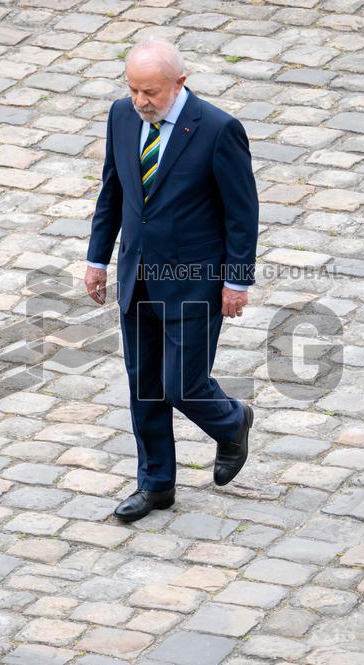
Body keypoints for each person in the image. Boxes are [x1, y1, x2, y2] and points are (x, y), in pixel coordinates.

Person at [84, 38, 258, 522]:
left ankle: (231, 421)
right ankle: (156, 484)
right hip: (136, 275)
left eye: (151, 92)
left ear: (180, 84)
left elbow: (242, 213)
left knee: (183, 383)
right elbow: (112, 192)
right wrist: (97, 259)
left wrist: (237, 281)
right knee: (145, 386)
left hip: (195, 281)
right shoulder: (122, 117)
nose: (141, 101)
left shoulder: (219, 130)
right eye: (134, 90)